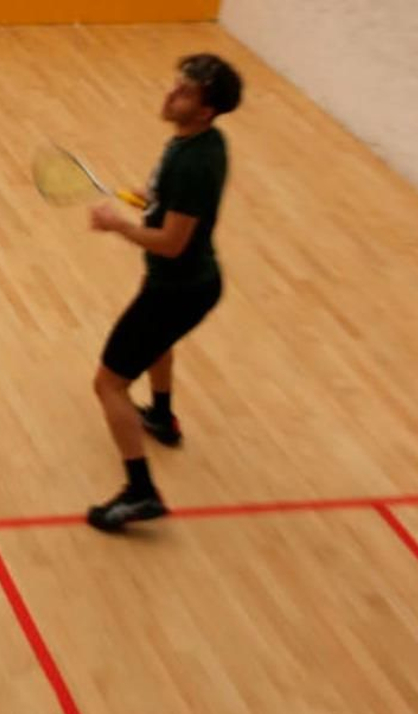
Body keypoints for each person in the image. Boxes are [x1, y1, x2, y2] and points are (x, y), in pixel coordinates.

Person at [85, 53, 244, 532]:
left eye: (186, 93)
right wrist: (147, 201)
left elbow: (173, 244)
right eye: (175, 86)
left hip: (179, 287)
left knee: (108, 383)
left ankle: (141, 492)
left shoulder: (195, 163)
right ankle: (162, 416)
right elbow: (173, 210)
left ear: (207, 109)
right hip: (184, 285)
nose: (171, 95)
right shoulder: (198, 141)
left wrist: (118, 225)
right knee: (159, 343)